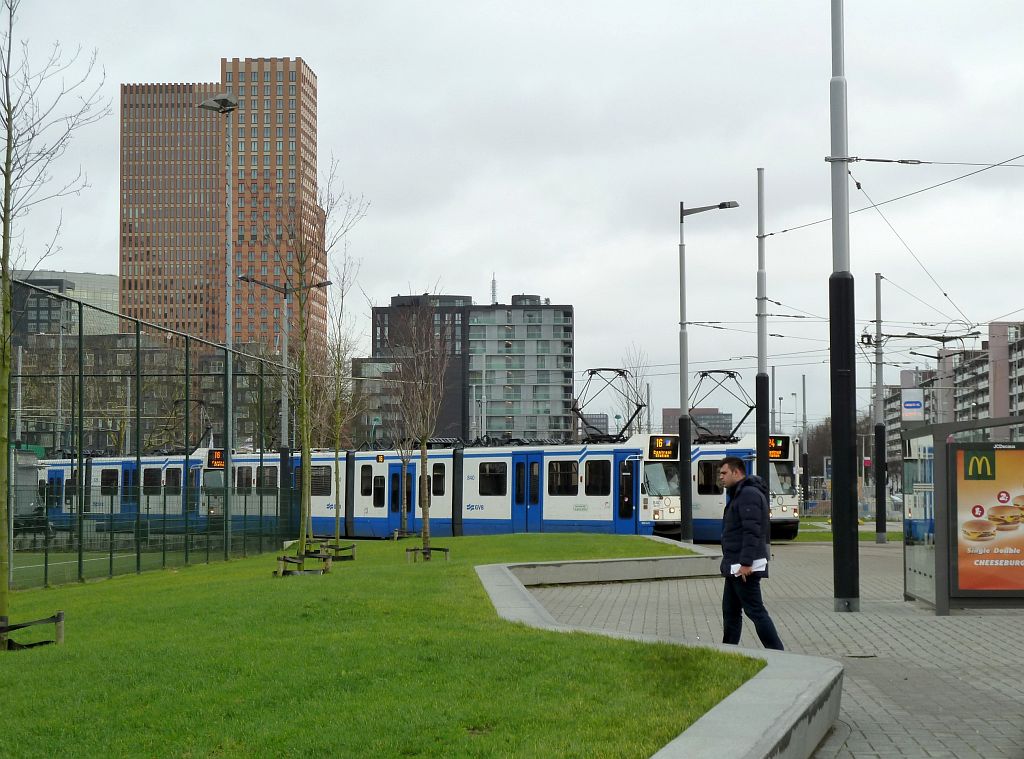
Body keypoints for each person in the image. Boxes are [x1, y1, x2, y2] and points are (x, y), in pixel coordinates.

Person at [718, 456, 784, 651]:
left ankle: (777, 651)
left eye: (724, 473)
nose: (720, 477)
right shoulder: (740, 494)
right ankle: (728, 650)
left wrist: (746, 563)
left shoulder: (748, 495)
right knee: (730, 612)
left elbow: (752, 530)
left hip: (744, 566)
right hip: (735, 565)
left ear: (736, 472)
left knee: (755, 611)